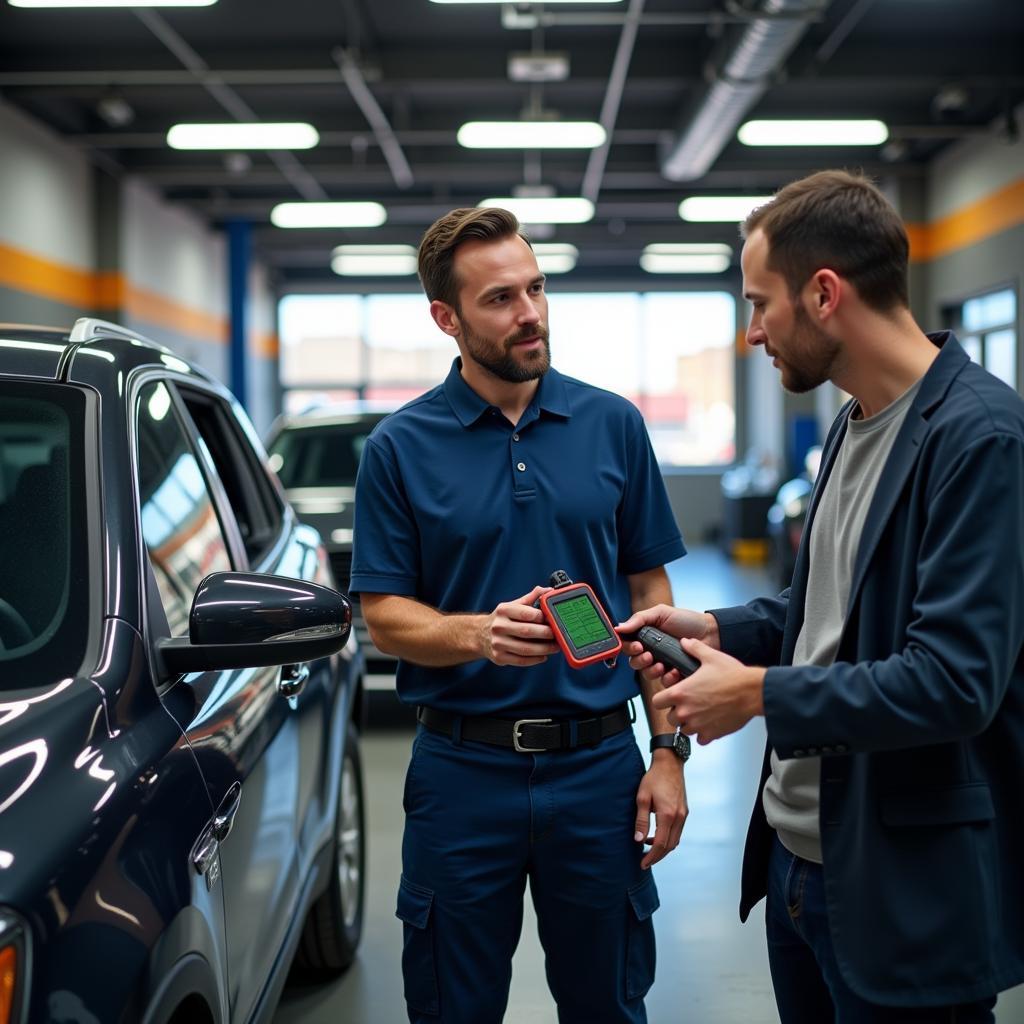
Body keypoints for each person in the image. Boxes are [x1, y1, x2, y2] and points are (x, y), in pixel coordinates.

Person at [619, 169, 1024, 1024]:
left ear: (825, 293)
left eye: (760, 303)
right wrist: (712, 626)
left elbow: (954, 681)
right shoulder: (852, 420)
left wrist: (758, 694)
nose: (753, 331)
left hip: (904, 889)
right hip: (803, 869)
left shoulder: (979, 440)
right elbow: (825, 620)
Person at [349, 206, 688, 1024]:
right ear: (447, 317)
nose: (530, 312)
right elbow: (385, 616)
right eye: (500, 298)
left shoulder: (613, 425)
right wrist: (478, 634)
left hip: (600, 769)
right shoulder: (400, 447)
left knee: (608, 1006)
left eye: (536, 288)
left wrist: (668, 751)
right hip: (462, 776)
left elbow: (652, 600)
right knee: (452, 1009)